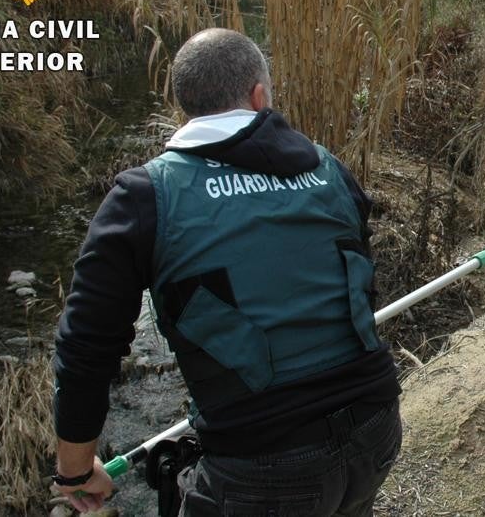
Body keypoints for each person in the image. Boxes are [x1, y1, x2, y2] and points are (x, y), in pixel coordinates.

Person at [50, 28, 402, 515]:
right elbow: (359, 287)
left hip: (259, 466)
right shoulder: (330, 169)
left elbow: (86, 347)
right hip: (377, 427)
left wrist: (74, 468)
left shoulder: (143, 198)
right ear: (259, 97)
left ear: (185, 106)